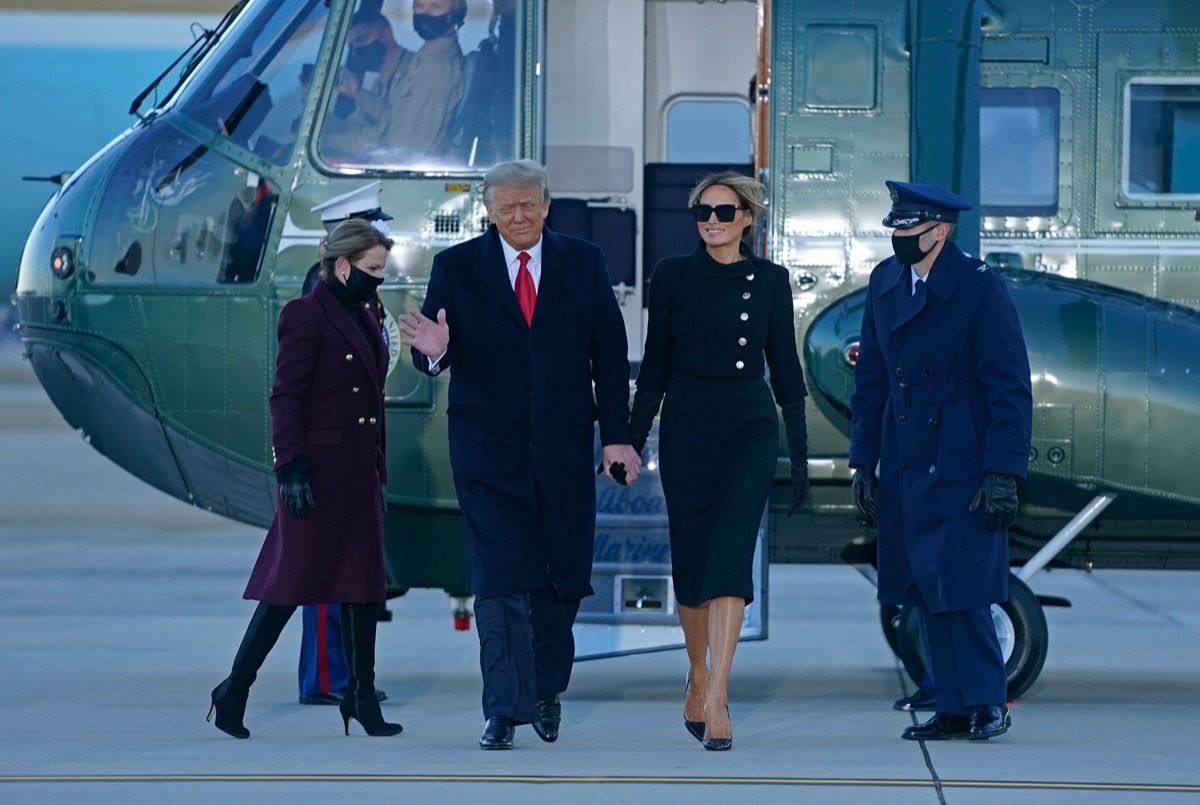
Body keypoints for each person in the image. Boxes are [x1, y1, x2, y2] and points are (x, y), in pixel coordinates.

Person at [399, 159, 640, 750]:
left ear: (546, 204)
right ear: (488, 211)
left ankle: (547, 690)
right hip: (487, 451)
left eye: (528, 204)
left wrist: (617, 435)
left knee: (560, 576)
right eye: (505, 207)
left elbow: (609, 356)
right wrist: (435, 353)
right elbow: (432, 349)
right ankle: (503, 709)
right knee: (499, 579)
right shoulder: (456, 267)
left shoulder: (583, 261)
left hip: (564, 444)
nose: (518, 216)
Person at [627, 172, 809, 752]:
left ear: (747, 218)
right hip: (687, 426)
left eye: (724, 212)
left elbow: (786, 370)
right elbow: (654, 366)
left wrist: (799, 455)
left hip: (749, 428)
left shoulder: (772, 281)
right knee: (693, 558)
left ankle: (720, 694)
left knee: (732, 557)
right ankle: (697, 672)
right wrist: (631, 440)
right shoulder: (673, 276)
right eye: (702, 211)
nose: (711, 220)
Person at [849, 180, 1033, 741]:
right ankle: (949, 704)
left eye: (911, 228)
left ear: (942, 231)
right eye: (896, 228)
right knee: (925, 585)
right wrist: (864, 460)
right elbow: (872, 379)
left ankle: (986, 702)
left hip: (962, 452)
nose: (900, 237)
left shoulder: (979, 287)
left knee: (965, 584)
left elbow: (1008, 386)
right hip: (906, 452)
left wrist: (1003, 472)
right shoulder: (885, 282)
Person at [207, 218, 401, 739]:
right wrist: (289, 467)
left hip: (359, 473)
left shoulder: (363, 311)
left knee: (364, 589)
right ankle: (234, 690)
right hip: (316, 476)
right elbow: (285, 395)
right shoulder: (307, 314)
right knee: (289, 588)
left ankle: (361, 697)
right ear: (342, 266)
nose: (379, 279)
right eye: (373, 269)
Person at [324, 2, 466, 157]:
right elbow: (390, 123)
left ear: (455, 14)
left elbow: (406, 152)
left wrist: (327, 142)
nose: (425, 13)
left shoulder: (435, 69)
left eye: (435, 6)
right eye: (419, 6)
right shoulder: (422, 61)